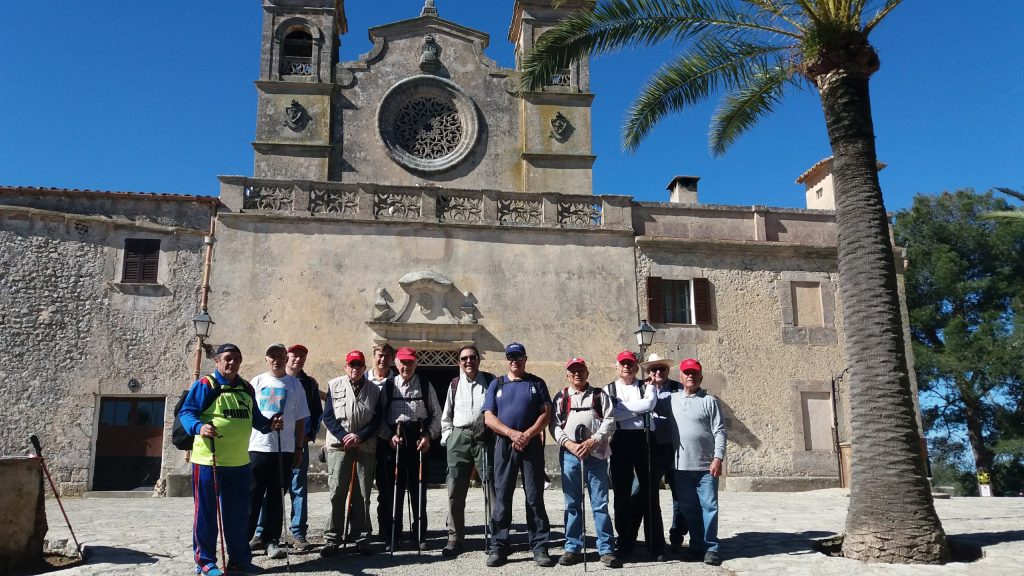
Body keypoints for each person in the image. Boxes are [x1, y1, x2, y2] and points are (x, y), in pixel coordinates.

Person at [179, 343, 282, 576]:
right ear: (217, 361)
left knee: (238, 516)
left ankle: (239, 559)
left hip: (239, 463)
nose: (231, 362)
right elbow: (186, 412)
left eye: (236, 358)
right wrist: (199, 427)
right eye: (226, 358)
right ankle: (204, 562)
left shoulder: (246, 388)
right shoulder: (206, 384)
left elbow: (255, 418)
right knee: (206, 514)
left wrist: (269, 425)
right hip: (209, 462)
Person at [482, 342, 554, 567]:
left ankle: (539, 546)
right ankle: (499, 547)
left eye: (518, 357)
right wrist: (512, 433)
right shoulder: (497, 384)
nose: (514, 361)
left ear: (525, 358)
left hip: (531, 445)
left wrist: (528, 434)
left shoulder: (537, 383)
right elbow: (488, 417)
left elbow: (546, 414)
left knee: (534, 496)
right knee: (502, 497)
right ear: (507, 360)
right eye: (511, 357)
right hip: (504, 445)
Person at [251, 344, 323, 551]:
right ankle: (256, 534)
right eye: (294, 355)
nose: (297, 359)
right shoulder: (257, 381)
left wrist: (303, 442)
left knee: (288, 491)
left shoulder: (304, 384)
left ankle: (290, 534)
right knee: (259, 494)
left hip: (291, 447)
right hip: (259, 447)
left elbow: (309, 415)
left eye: (302, 356)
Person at [551, 357, 621, 569]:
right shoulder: (561, 397)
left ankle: (606, 549)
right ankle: (572, 547)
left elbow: (610, 421)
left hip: (596, 456)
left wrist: (593, 441)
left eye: (581, 370)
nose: (577, 374)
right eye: (573, 371)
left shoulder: (600, 395)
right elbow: (554, 425)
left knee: (600, 504)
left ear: (587, 373)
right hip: (570, 455)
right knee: (572, 503)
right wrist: (570, 445)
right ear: (567, 375)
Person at [377, 347, 441, 551]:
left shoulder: (424, 384)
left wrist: (429, 437)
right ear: (396, 364)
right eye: (403, 362)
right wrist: (389, 437)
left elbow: (436, 415)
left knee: (418, 490)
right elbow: (378, 418)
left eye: (410, 362)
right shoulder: (388, 386)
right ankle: (394, 534)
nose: (406, 366)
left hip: (418, 440)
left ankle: (419, 534)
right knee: (393, 491)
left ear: (416, 364)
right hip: (395, 441)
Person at [321, 350, 382, 556]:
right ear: (346, 367)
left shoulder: (375, 390)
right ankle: (333, 538)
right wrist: (344, 436)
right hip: (340, 446)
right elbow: (328, 416)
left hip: (364, 446)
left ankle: (362, 537)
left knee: (363, 494)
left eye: (359, 365)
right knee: (337, 491)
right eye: (351, 365)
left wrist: (360, 436)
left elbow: (377, 420)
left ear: (364, 368)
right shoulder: (334, 385)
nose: (355, 369)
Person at [667, 358, 726, 566]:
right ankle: (696, 545)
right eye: (687, 372)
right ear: (681, 376)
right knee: (689, 509)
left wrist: (718, 458)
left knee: (709, 507)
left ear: (700, 377)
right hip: (681, 467)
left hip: (705, 467)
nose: (690, 376)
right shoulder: (671, 399)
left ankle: (711, 547)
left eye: (694, 373)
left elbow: (720, 431)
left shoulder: (710, 401)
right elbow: (649, 399)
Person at [439, 344, 496, 557]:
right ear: (459, 363)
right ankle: (454, 537)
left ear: (479, 360)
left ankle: (496, 536)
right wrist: (449, 437)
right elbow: (446, 416)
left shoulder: (491, 382)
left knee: (491, 487)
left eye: (472, 357)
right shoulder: (454, 384)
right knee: (455, 489)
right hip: (459, 437)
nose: (468, 362)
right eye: (464, 359)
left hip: (484, 438)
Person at [604, 350, 659, 561]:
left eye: (630, 363)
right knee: (621, 494)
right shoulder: (608, 389)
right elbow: (612, 414)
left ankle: (655, 544)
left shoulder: (647, 385)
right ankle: (625, 542)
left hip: (645, 440)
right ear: (616, 367)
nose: (626, 366)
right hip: (621, 440)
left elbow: (650, 405)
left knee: (649, 493)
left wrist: (623, 409)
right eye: (622, 363)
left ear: (636, 367)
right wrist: (639, 409)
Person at [641, 353, 687, 553]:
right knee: (647, 493)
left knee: (680, 493)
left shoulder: (679, 389)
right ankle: (652, 539)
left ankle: (678, 533)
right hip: (651, 448)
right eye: (654, 369)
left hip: (675, 446)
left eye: (662, 369)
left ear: (668, 371)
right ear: (648, 371)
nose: (658, 372)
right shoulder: (640, 388)